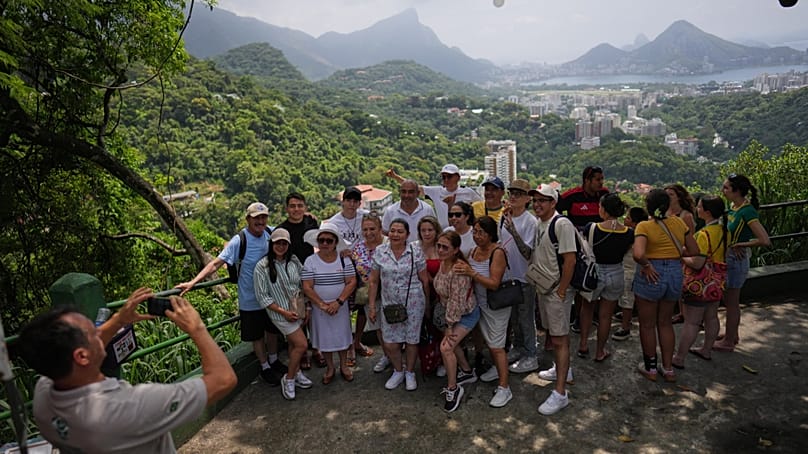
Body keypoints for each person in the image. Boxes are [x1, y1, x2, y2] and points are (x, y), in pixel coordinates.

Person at [19, 288, 237, 453]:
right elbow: (223, 379)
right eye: (93, 332)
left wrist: (119, 320)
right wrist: (197, 328)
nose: (101, 332)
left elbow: (83, 350)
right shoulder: (130, 407)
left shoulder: (44, 394)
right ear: (82, 356)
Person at [176, 202, 286, 385]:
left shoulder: (271, 234)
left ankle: (274, 360)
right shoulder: (239, 240)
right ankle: (265, 366)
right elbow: (216, 263)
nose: (260, 221)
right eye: (256, 218)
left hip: (270, 296)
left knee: (272, 331)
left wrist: (309, 219)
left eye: (263, 217)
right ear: (248, 219)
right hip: (250, 298)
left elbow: (289, 234)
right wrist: (194, 282)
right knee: (257, 336)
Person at [633, 189, 699, 383]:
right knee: (665, 322)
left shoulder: (644, 226)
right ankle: (668, 368)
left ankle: (651, 368)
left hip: (652, 272)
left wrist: (646, 265)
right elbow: (694, 250)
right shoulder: (678, 222)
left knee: (647, 324)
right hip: (674, 272)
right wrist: (673, 252)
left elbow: (638, 253)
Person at [453, 216, 513, 408]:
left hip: (496, 306)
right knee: (488, 342)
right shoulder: (473, 251)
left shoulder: (497, 252)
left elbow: (494, 283)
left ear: (490, 234)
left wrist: (471, 273)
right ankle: (497, 369)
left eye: (481, 232)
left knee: (496, 346)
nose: (477, 236)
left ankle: (505, 388)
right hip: (478, 304)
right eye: (475, 232)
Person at [530, 184, 577, 416]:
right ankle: (562, 370)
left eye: (543, 200)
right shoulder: (541, 223)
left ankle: (560, 394)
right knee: (555, 335)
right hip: (545, 288)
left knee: (559, 340)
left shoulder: (562, 224)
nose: (537, 204)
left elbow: (570, 260)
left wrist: (561, 291)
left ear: (553, 203)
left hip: (556, 291)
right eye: (535, 200)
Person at [367, 219, 430, 391]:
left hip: (414, 302)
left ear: (407, 235)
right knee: (390, 343)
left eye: (400, 231)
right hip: (390, 304)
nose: (395, 235)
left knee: (411, 340)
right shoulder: (380, 251)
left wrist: (428, 305)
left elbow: (424, 280)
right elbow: (373, 281)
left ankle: (410, 371)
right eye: (393, 231)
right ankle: (398, 369)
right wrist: (372, 306)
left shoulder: (415, 251)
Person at [713, 173, 771, 352]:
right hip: (729, 257)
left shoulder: (747, 211)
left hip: (736, 260)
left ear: (737, 191)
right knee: (728, 300)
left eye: (726, 188)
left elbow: (764, 239)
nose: (723, 191)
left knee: (732, 302)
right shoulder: (734, 207)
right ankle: (732, 334)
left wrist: (741, 244)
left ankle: (729, 341)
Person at [254, 228, 313, 400]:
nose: (280, 246)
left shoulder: (293, 261)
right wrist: (283, 312)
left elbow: (303, 285)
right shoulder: (262, 267)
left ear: (289, 245)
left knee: (294, 345)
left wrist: (307, 307)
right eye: (277, 243)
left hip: (297, 310)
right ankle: (289, 378)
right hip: (280, 314)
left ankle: (297, 372)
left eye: (284, 243)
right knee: (302, 344)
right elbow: (262, 297)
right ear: (271, 244)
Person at [577, 193, 634, 362]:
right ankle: (600, 350)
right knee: (605, 315)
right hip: (616, 272)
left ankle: (583, 344)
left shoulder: (592, 227)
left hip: (594, 272)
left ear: (604, 209)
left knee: (587, 310)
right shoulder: (628, 232)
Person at [672, 196, 728, 368]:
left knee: (692, 322)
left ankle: (679, 358)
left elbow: (697, 263)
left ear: (707, 212)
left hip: (700, 284)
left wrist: (682, 257)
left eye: (699, 206)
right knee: (712, 317)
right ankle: (707, 349)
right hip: (717, 281)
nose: (696, 208)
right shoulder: (725, 230)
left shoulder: (703, 235)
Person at [301, 223, 357, 384]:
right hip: (321, 309)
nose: (324, 244)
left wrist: (338, 302)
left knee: (342, 336)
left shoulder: (343, 259)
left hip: (340, 306)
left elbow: (351, 281)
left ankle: (344, 366)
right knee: (324, 339)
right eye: (321, 240)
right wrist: (322, 305)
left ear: (335, 243)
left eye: (329, 241)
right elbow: (307, 286)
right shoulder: (310, 261)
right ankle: (330, 367)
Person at [557, 166, 609, 334]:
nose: (601, 183)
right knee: (580, 282)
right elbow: (556, 213)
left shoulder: (604, 195)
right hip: (577, 248)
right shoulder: (571, 196)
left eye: (602, 179)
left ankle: (589, 316)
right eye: (597, 179)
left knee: (596, 282)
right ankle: (578, 317)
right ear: (587, 180)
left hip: (600, 246)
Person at [434, 231, 480, 412]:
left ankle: (453, 388)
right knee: (452, 345)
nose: (440, 250)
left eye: (445, 247)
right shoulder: (444, 262)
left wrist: (449, 326)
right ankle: (467, 371)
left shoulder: (458, 269)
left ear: (456, 250)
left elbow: (457, 300)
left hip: (465, 313)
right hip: (449, 312)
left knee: (446, 347)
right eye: (439, 246)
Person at [499, 179, 540, 374]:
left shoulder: (530, 221)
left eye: (518, 193)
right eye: (511, 192)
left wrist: (513, 231)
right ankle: (518, 348)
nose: (513, 196)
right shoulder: (504, 216)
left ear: (527, 198)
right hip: (508, 277)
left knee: (526, 318)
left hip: (525, 278)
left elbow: (528, 253)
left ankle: (531, 354)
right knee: (514, 318)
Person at [329, 187, 372, 367]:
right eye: (349, 200)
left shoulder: (366, 216)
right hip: (342, 268)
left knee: (362, 306)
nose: (352, 204)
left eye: (355, 201)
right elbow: (325, 242)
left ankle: (357, 340)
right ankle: (348, 346)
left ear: (359, 203)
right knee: (345, 307)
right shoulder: (333, 222)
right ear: (343, 201)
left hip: (363, 267)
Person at [278, 192, 320, 370]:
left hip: (312, 273)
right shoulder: (282, 229)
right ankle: (303, 353)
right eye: (293, 206)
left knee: (315, 315)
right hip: (292, 277)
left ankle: (317, 349)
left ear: (305, 207)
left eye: (300, 205)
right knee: (299, 314)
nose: (296, 209)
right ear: (287, 208)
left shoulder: (311, 223)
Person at [386, 164, 481, 229]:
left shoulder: (468, 192)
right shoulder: (436, 191)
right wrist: (396, 177)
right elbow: (414, 187)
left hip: (463, 231)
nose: (446, 179)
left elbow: (482, 206)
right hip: (443, 232)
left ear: (458, 178)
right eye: (444, 177)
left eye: (449, 176)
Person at [351, 212, 388, 373]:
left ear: (380, 228)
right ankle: (387, 356)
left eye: (372, 229)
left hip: (390, 292)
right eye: (365, 229)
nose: (368, 233)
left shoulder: (388, 244)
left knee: (393, 327)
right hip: (369, 295)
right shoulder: (358, 248)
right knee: (379, 328)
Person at [612, 206, 648, 341]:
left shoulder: (631, 234)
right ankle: (627, 317)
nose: (625, 220)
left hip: (629, 269)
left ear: (634, 222)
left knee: (627, 298)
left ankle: (625, 327)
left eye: (627, 218)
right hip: (637, 269)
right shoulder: (644, 233)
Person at [665, 184, 697, 325]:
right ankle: (681, 313)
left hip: (682, 254)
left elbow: (691, 238)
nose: (668, 197)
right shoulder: (667, 213)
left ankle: (688, 314)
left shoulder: (686, 215)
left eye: (671, 194)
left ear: (679, 197)